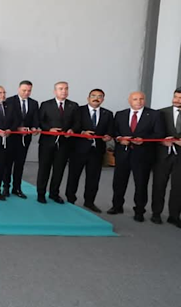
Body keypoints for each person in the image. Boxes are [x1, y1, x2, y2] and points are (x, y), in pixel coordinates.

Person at [108, 91, 164, 222]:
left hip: (143, 155)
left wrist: (144, 140)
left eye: (141, 99)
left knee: (141, 184)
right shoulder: (120, 114)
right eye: (135, 99)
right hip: (123, 153)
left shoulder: (154, 115)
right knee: (119, 182)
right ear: (129, 100)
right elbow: (114, 131)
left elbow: (159, 134)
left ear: (145, 100)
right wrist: (120, 138)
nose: (138, 101)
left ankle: (139, 211)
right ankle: (117, 206)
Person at [64, 89, 114, 213]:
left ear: (103, 99)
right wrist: (82, 132)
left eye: (100, 96)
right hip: (78, 149)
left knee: (93, 178)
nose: (96, 98)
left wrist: (108, 136)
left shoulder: (108, 113)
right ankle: (70, 200)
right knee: (74, 176)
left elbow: (110, 130)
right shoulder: (79, 110)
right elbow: (72, 126)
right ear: (88, 98)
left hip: (97, 151)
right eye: (93, 96)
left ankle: (89, 201)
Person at [36, 81, 80, 204]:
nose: (64, 91)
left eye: (66, 88)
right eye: (61, 89)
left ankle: (54, 193)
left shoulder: (73, 105)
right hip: (47, 142)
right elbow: (40, 121)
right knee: (44, 169)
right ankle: (41, 193)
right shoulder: (46, 104)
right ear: (55, 91)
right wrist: (49, 129)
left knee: (59, 170)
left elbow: (77, 122)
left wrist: (72, 130)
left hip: (65, 143)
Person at [3, 80, 40, 199]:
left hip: (25, 138)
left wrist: (34, 128)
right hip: (11, 137)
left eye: (29, 90)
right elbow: (6, 120)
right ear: (19, 89)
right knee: (8, 164)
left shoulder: (34, 103)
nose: (26, 93)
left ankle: (17, 188)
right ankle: (6, 187)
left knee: (20, 164)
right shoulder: (9, 101)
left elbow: (35, 119)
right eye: (24, 90)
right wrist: (16, 128)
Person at [152, 88, 181, 227]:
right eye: (175, 97)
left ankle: (174, 216)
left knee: (178, 186)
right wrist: (162, 141)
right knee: (159, 184)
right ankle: (156, 213)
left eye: (180, 98)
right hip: (163, 154)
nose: (177, 100)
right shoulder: (161, 113)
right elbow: (154, 133)